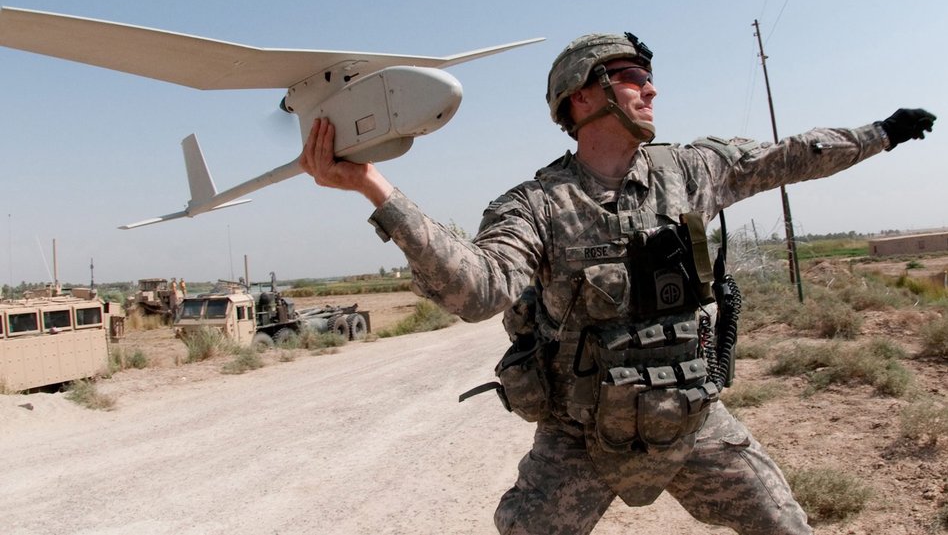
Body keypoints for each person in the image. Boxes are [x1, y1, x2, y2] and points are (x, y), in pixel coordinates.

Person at [298, 32, 936, 535]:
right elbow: (479, 290)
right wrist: (371, 186)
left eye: (650, 80)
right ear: (582, 97)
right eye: (632, 79)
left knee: (783, 524)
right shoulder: (537, 206)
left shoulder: (688, 171)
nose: (651, 92)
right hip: (580, 433)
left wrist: (881, 133)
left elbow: (787, 157)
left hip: (692, 416)